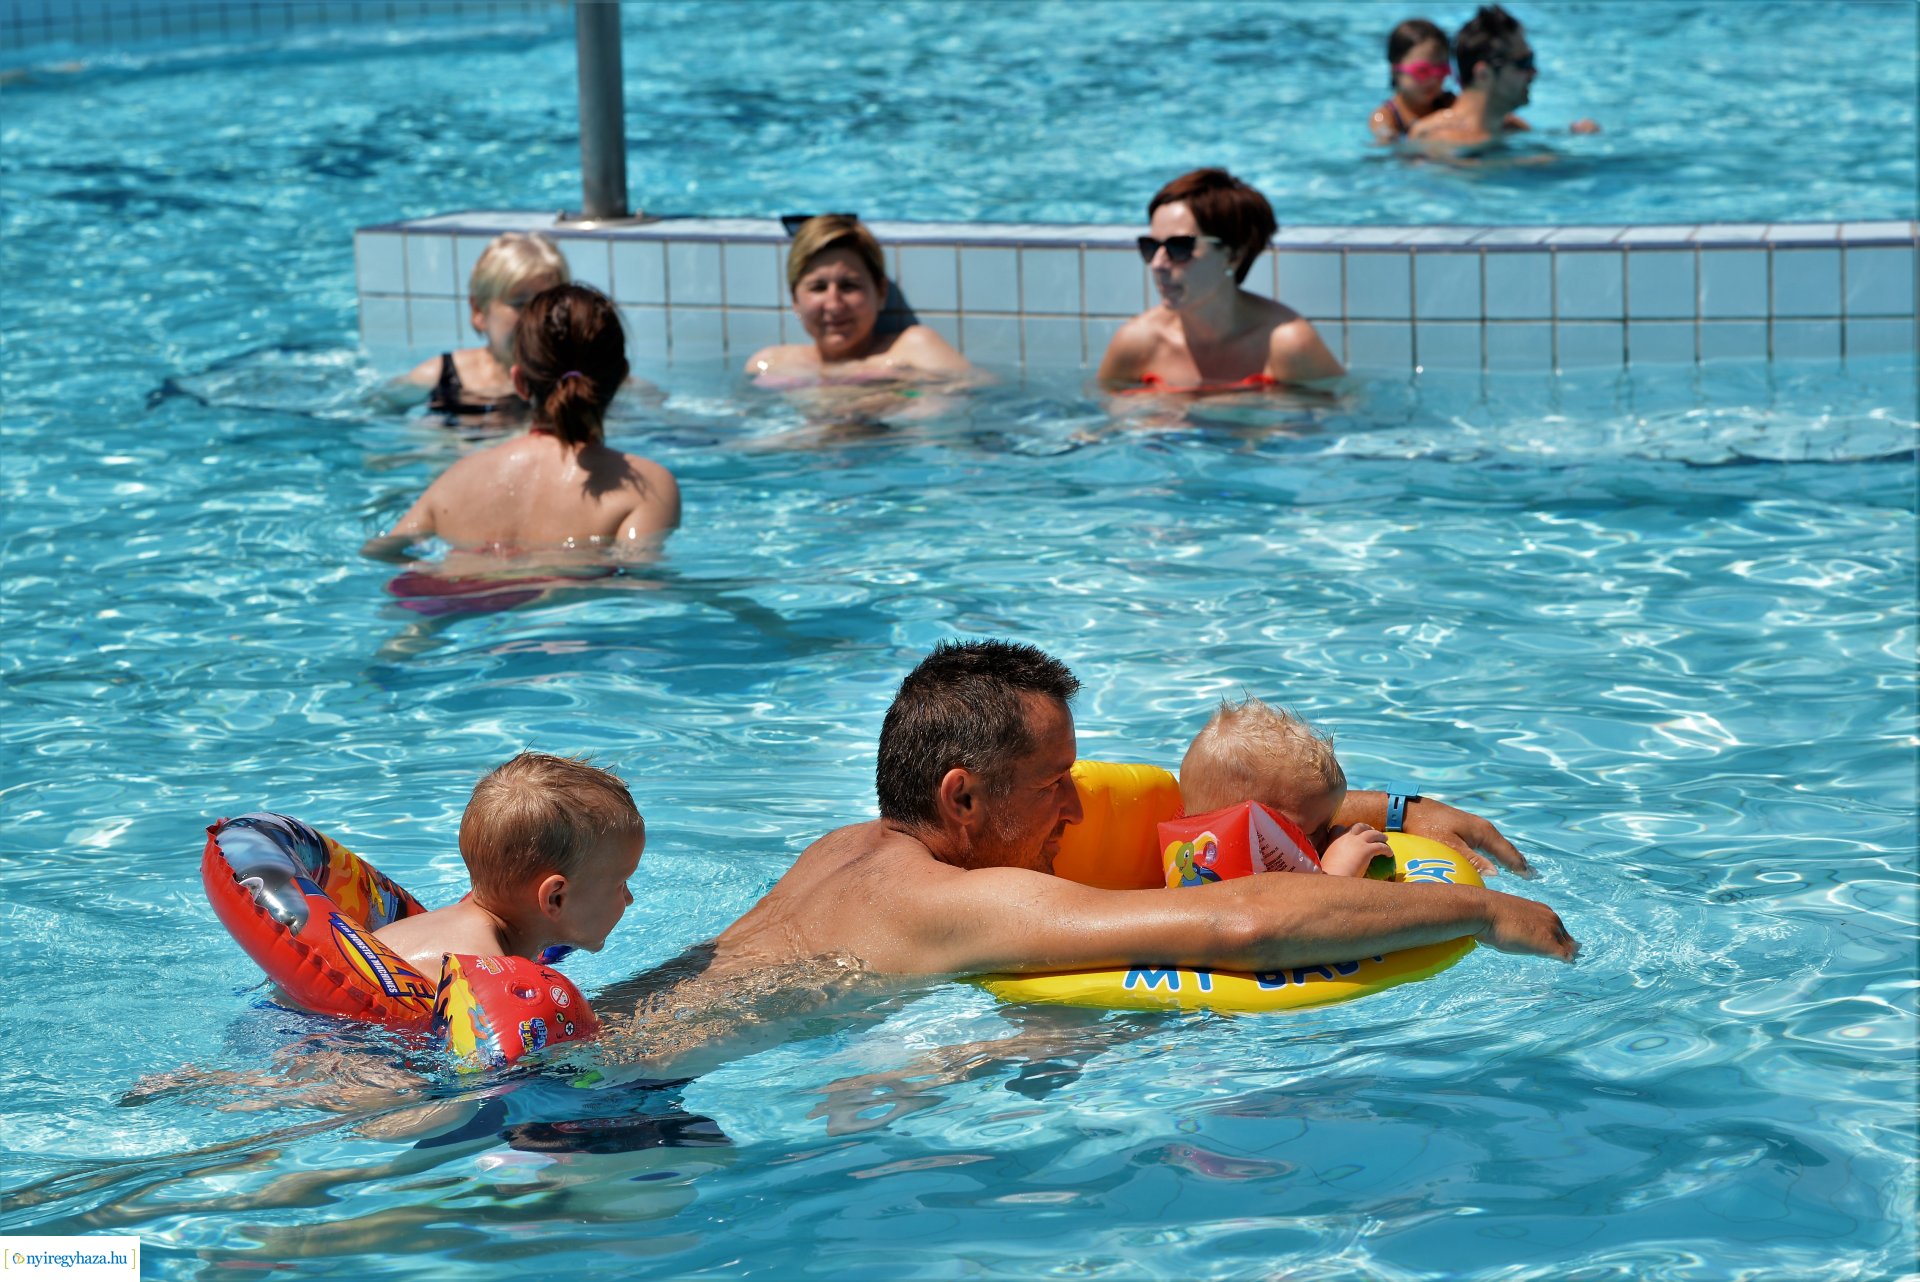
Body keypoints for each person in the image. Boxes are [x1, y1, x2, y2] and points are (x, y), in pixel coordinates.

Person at [707, 640, 1577, 979]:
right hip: (607, 1111)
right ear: (962, 796)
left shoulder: (841, 851)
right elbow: (1244, 924)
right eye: (1055, 784)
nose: (1078, 810)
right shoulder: (955, 901)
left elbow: (1208, 800)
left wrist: (1389, 806)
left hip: (601, 1052)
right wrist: (1481, 907)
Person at [363, 283, 680, 561]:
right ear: (621, 377)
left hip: (449, 603)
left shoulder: (457, 478)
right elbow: (639, 585)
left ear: (519, 382)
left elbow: (378, 552)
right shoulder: (646, 487)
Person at [374, 751, 645, 972]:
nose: (629, 898)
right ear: (555, 898)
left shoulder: (423, 928)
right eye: (622, 882)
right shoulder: (489, 973)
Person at [1096, 169, 1344, 393]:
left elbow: (1341, 422)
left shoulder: (1286, 344)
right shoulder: (1138, 342)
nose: (1158, 264)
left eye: (1179, 247)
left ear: (1233, 255)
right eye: (1150, 247)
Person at [1178, 697, 1388, 878]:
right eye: (1312, 833)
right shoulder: (1214, 892)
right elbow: (1309, 920)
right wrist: (1340, 869)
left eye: (1327, 826)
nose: (1329, 842)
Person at [745, 214, 970, 384]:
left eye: (849, 286)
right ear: (795, 299)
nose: (834, 304)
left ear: (880, 292)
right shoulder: (768, 364)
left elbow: (972, 398)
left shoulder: (913, 351)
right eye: (818, 287)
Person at [400, 232, 570, 422]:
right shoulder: (438, 378)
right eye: (520, 304)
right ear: (479, 311)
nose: (535, 318)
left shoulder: (574, 379)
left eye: (547, 305)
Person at [1408, 6, 1599, 147]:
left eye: (1531, 60)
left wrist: (1574, 134)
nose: (1534, 72)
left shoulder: (1510, 126)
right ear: (1483, 74)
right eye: (1523, 63)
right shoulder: (1436, 138)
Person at [1369, 18, 1470, 144]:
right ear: (1395, 71)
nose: (1433, 79)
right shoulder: (1387, 116)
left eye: (1441, 70)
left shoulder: (1451, 103)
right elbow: (1384, 143)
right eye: (1422, 71)